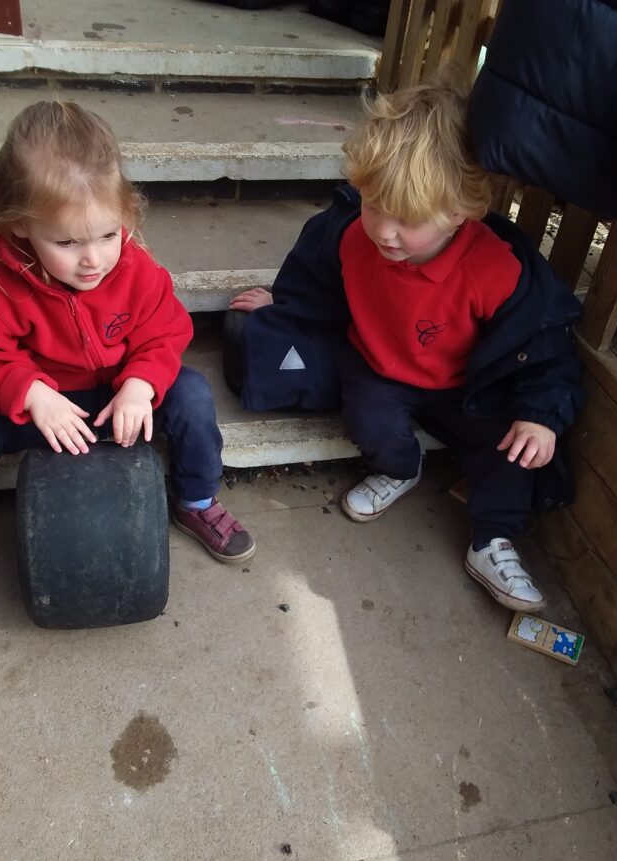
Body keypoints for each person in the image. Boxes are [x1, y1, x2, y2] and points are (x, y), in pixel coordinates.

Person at [229, 79, 583, 612]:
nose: (385, 232)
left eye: (408, 219)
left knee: (511, 449)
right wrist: (279, 308)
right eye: (374, 205)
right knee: (367, 417)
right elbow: (316, 289)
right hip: (380, 367)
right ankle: (400, 468)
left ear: (461, 212)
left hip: (467, 386)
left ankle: (494, 540)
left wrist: (540, 415)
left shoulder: (493, 268)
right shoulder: (352, 235)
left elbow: (542, 342)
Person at [0, 100, 254, 628]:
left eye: (108, 234)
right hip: (37, 406)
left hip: (118, 396)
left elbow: (165, 332)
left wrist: (141, 383)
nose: (93, 259)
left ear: (125, 216)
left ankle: (196, 498)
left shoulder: (136, 269)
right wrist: (30, 392)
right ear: (21, 225)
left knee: (193, 395)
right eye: (66, 242)